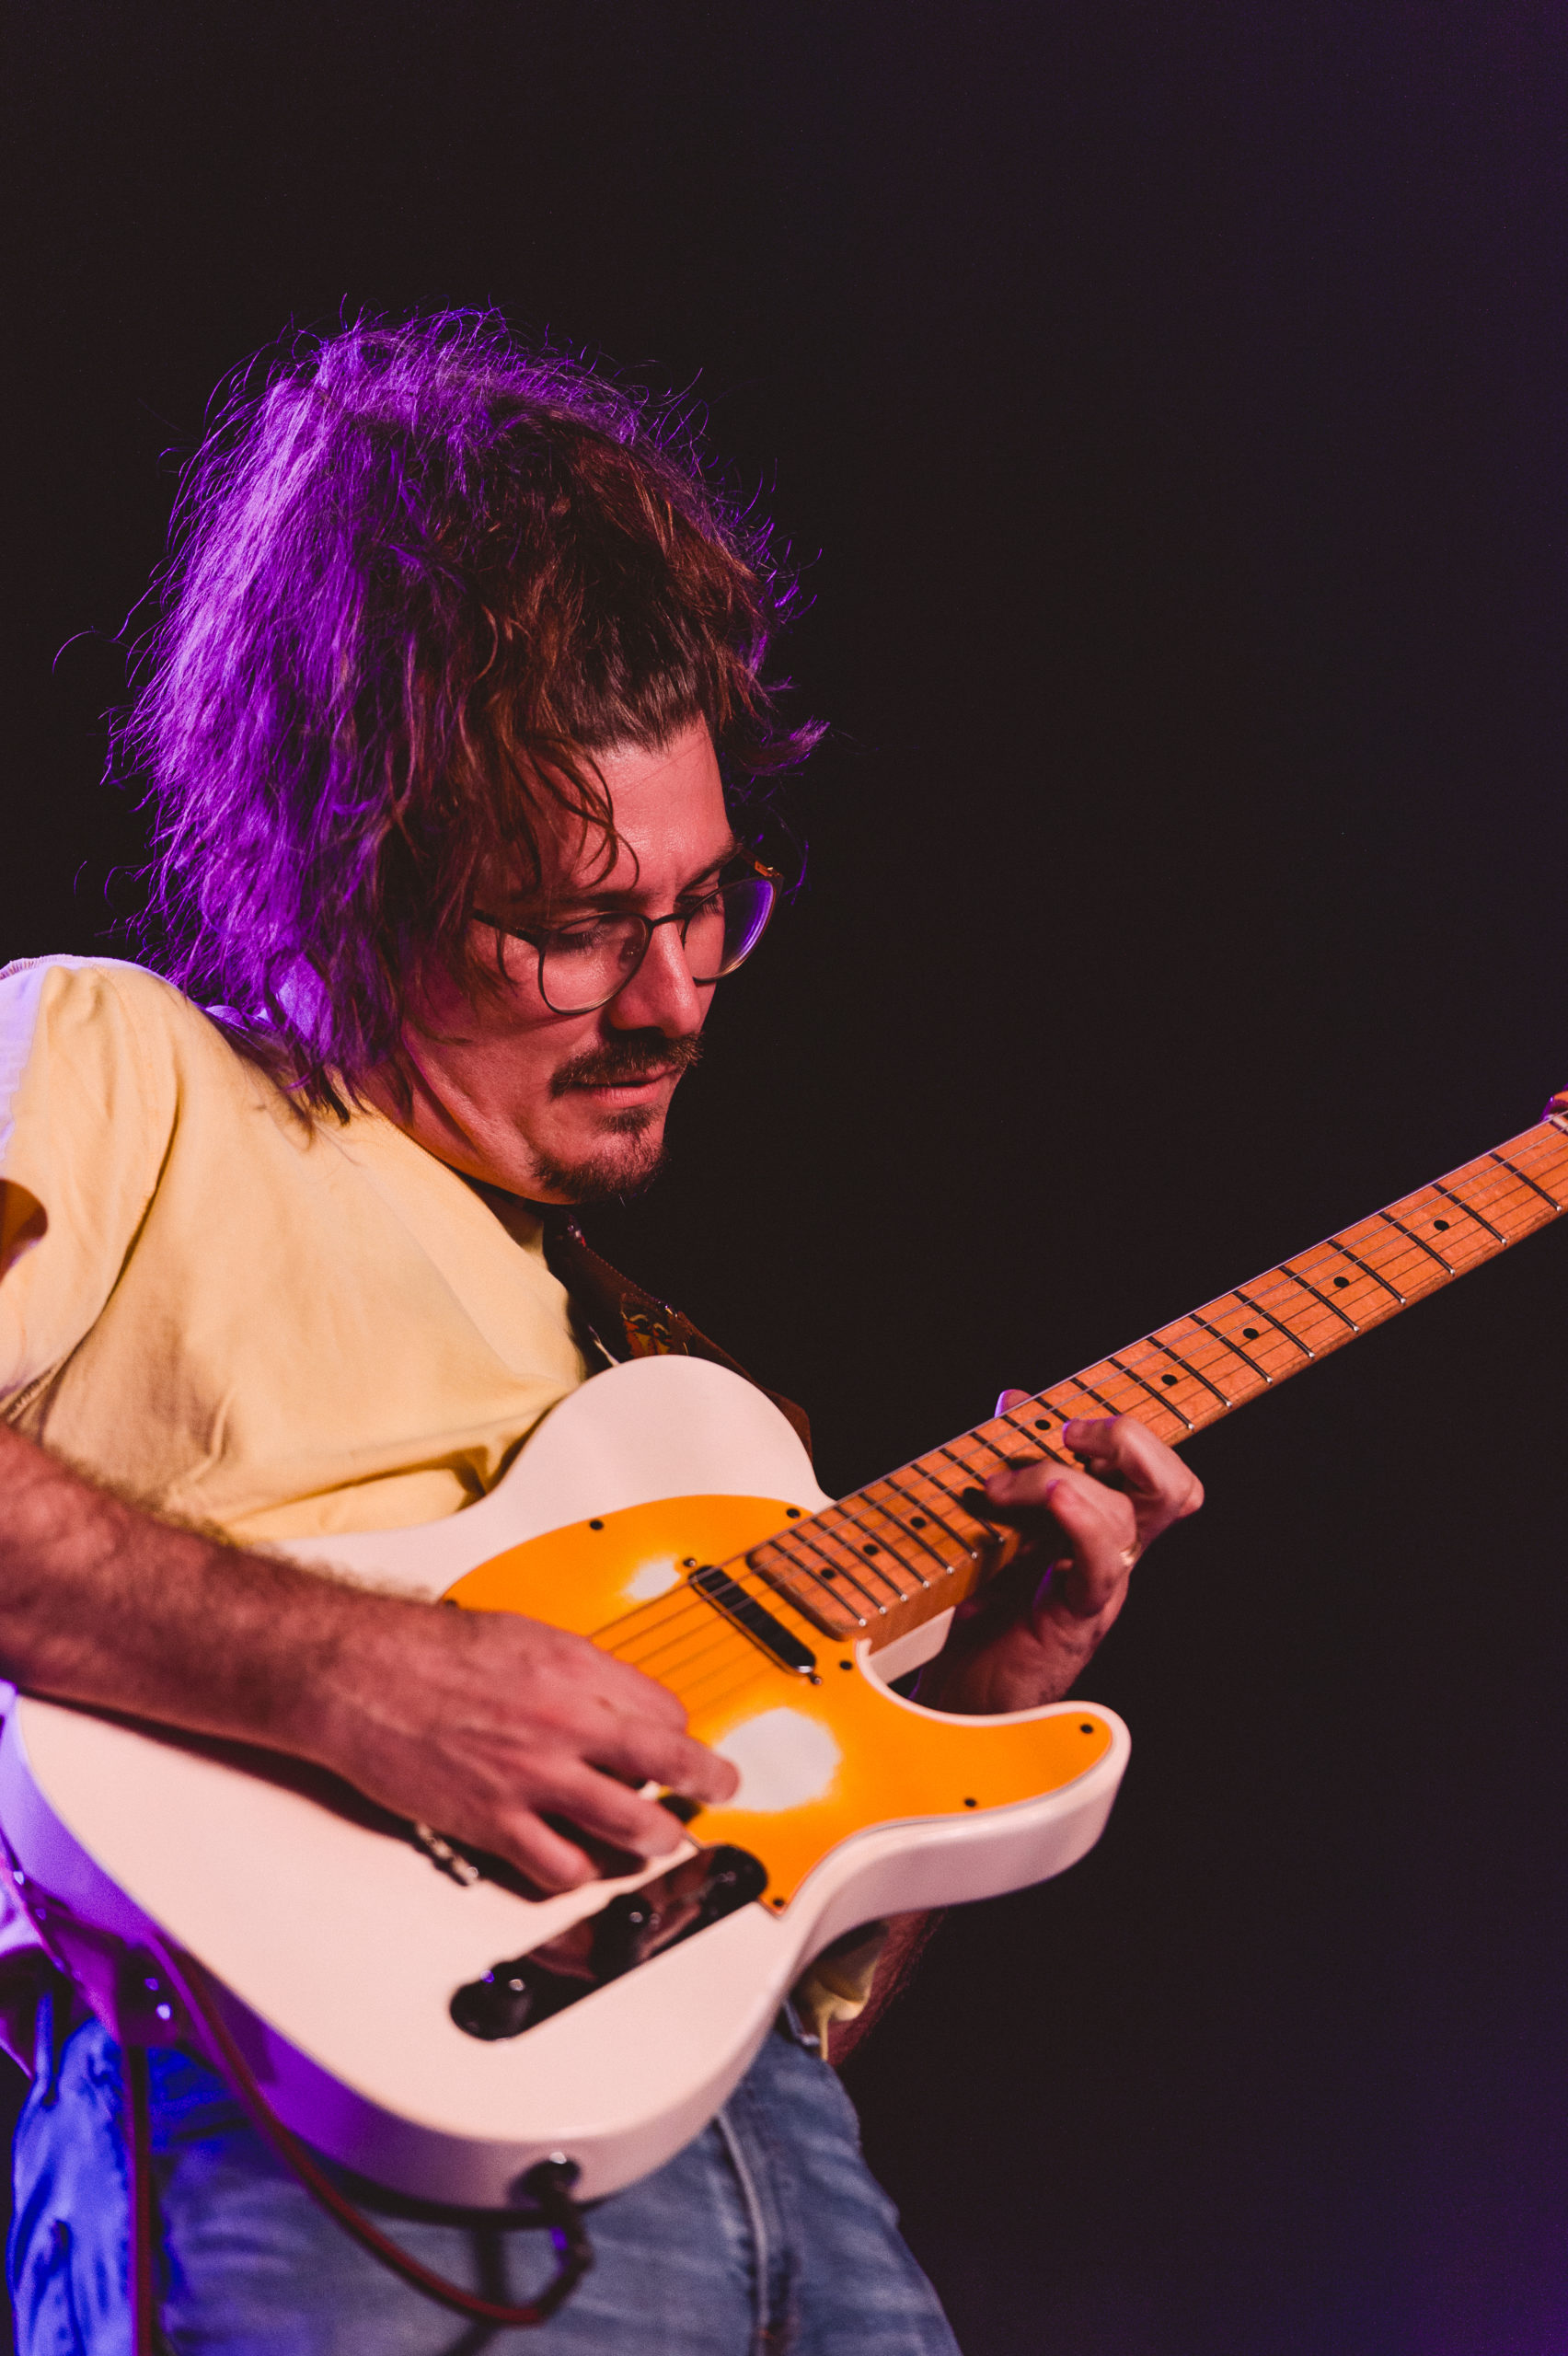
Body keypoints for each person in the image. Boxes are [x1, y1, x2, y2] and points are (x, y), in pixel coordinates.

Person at [0, 315, 1203, 2353]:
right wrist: (365, 1675)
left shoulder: (677, 1399)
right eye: (575, 925)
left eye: (708, 904)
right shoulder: (126, 1063)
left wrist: (993, 1688)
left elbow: (739, 1988)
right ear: (345, 862)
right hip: (290, 2159)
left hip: (791, 2192)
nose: (671, 1001)